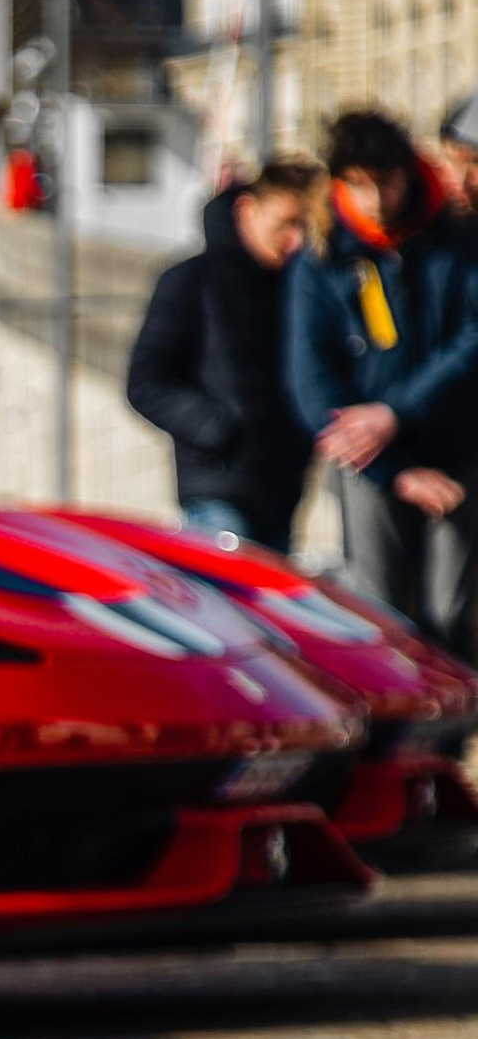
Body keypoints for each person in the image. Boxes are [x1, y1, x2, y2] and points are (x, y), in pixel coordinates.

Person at [288, 106, 478, 655]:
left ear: (407, 172)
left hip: (453, 445)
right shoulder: (324, 251)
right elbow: (311, 377)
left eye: (385, 183)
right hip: (370, 462)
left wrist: (396, 412)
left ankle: (444, 735)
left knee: (449, 607)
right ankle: (386, 733)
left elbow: (470, 340)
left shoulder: (454, 232)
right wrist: (391, 466)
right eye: (359, 186)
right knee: (377, 605)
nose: (375, 201)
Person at [123, 158, 320, 551]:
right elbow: (145, 383)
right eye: (285, 223)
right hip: (217, 488)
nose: (294, 240)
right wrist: (219, 428)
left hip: (283, 490)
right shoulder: (189, 280)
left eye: (305, 227)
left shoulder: (301, 288)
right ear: (246, 210)